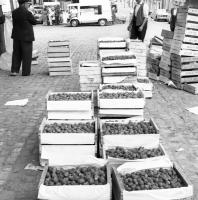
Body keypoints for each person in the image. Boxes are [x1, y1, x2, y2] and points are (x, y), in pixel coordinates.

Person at [10, 0, 37, 76]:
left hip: (16, 36)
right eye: (28, 4)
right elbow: (34, 22)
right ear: (24, 3)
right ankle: (26, 72)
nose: (28, 5)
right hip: (26, 37)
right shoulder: (27, 13)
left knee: (16, 53)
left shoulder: (14, 12)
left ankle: (14, 71)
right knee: (27, 55)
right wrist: (32, 13)